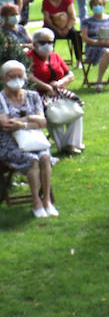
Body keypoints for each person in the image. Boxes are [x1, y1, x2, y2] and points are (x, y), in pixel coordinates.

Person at [1, 59, 56, 217]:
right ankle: (36, 202)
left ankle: (47, 200)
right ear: (3, 78)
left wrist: (22, 123)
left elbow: (43, 122)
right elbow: (6, 125)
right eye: (12, 76)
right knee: (32, 159)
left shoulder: (32, 96)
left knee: (45, 156)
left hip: (34, 140)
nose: (16, 79)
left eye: (20, 75)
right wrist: (31, 119)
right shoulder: (1, 99)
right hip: (8, 144)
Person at [26, 28, 83, 154]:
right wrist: (47, 87)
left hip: (59, 92)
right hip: (39, 95)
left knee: (76, 110)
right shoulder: (29, 58)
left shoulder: (55, 56)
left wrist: (59, 83)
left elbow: (70, 75)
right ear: (35, 44)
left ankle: (73, 143)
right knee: (53, 114)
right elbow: (29, 77)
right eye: (43, 42)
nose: (47, 45)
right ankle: (64, 146)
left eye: (50, 42)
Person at [81, 0, 109, 91]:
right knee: (107, 52)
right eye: (95, 5)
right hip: (94, 46)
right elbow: (85, 37)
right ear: (92, 7)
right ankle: (99, 81)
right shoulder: (87, 21)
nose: (98, 6)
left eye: (100, 4)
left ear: (104, 6)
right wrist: (97, 42)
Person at [40, 0, 80, 64]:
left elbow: (72, 17)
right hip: (51, 27)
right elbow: (47, 18)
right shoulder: (46, 1)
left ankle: (79, 60)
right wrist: (56, 29)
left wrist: (66, 29)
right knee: (46, 36)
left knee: (76, 35)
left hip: (66, 26)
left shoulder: (67, 0)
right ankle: (49, 59)